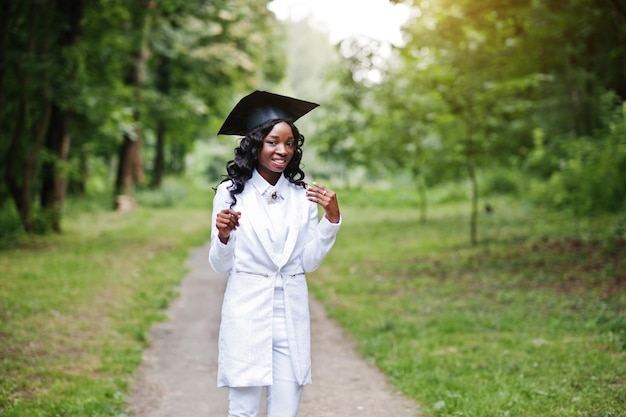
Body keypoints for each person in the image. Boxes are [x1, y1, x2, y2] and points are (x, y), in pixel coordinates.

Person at [209, 90, 341, 417]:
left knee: (285, 412)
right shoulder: (231, 193)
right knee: (243, 411)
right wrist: (223, 235)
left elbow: (307, 262)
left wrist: (331, 220)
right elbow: (219, 265)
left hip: (290, 312)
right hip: (248, 308)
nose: (282, 150)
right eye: (272, 142)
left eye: (289, 143)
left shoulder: (301, 195)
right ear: (255, 145)